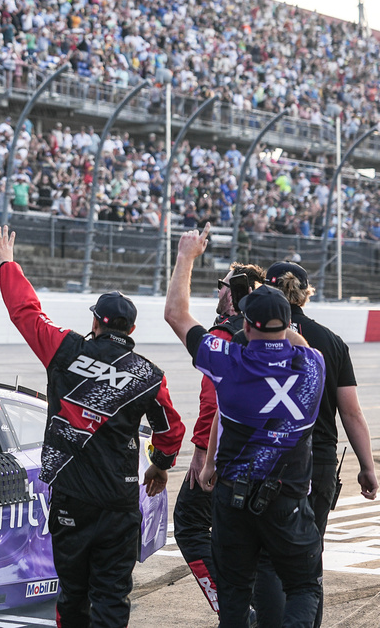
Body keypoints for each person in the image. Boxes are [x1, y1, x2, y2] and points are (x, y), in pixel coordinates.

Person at [0, 225, 183, 626]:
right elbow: (171, 429)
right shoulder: (149, 375)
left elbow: (26, 313)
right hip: (118, 499)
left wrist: (8, 264)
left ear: (96, 322)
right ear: (130, 331)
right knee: (112, 595)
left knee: (73, 592)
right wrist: (160, 464)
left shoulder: (65, 348)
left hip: (71, 497)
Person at [164, 225, 325, 627]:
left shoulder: (228, 361)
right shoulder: (313, 366)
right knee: (304, 588)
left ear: (245, 325)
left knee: (235, 597)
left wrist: (186, 256)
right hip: (287, 501)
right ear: (289, 323)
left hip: (233, 502)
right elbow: (298, 343)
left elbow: (176, 314)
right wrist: (279, 325)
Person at [253, 262, 378, 628]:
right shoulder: (331, 341)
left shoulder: (254, 334)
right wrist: (368, 468)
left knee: (265, 559)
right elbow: (351, 413)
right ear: (305, 294)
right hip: (318, 462)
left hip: (266, 458)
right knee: (308, 561)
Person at [173, 261, 265, 614]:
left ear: (239, 291)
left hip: (226, 454)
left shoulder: (226, 333)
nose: (218, 290)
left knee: (190, 524)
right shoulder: (285, 332)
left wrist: (201, 454)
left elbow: (213, 399)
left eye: (223, 284)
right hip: (274, 457)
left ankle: (236, 611)